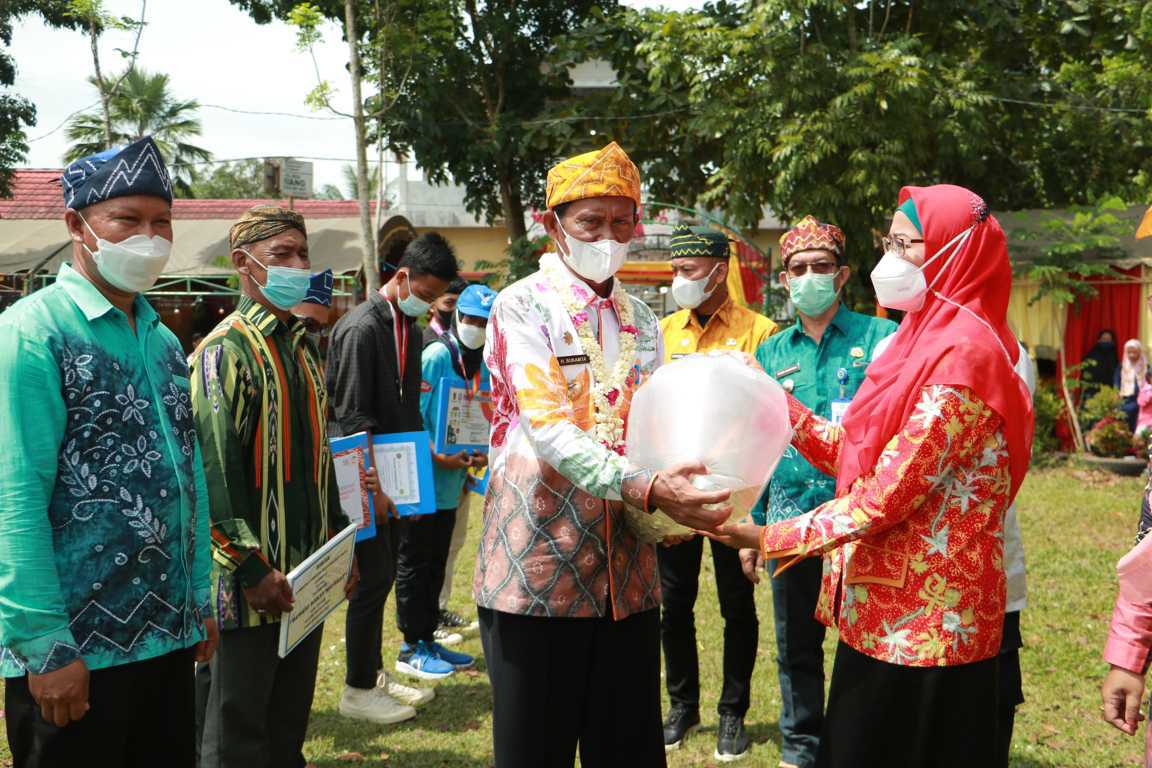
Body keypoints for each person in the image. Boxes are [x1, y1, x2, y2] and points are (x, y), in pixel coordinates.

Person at [706, 185, 1034, 767]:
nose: (891, 259)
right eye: (889, 243)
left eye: (905, 245)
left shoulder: (964, 360)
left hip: (932, 629)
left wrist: (768, 537)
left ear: (954, 252)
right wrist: (772, 399)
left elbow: (884, 497)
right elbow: (860, 451)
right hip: (881, 616)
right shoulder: (916, 342)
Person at [474, 141, 733, 768]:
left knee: (628, 747)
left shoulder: (644, 319)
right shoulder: (521, 306)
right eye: (591, 222)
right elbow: (549, 429)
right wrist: (650, 487)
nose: (608, 236)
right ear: (552, 223)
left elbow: (655, 427)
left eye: (622, 222)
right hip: (538, 563)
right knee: (537, 748)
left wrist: (674, 502)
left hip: (627, 568)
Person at [0, 137, 216, 768]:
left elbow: (188, 476)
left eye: (161, 222)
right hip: (78, 656)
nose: (148, 237)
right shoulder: (34, 334)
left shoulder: (162, 340)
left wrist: (198, 599)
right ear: (77, 224)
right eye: (127, 219)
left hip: (166, 638)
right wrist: (44, 645)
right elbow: (13, 496)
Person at [192, 206, 356, 768]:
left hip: (305, 582)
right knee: (235, 733)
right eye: (282, 254)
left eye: (303, 254)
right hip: (251, 587)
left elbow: (320, 464)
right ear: (244, 263)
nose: (298, 265)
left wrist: (341, 552)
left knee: (287, 728)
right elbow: (214, 475)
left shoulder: (304, 349)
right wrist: (252, 569)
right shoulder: (225, 352)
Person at [746, 215, 896, 768]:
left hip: (860, 518)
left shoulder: (882, 340)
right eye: (798, 268)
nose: (809, 276)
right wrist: (752, 528)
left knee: (866, 638)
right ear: (785, 279)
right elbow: (757, 445)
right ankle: (802, 746)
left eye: (820, 267)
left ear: (843, 275)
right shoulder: (769, 353)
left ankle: (859, 742)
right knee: (795, 645)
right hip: (789, 519)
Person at [327, 233, 461, 720]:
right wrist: (374, 488)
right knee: (372, 579)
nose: (427, 305)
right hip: (368, 481)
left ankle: (372, 677)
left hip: (400, 479)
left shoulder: (407, 328)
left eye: (434, 298)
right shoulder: (363, 328)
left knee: (383, 576)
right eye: (423, 294)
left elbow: (405, 411)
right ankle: (358, 690)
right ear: (401, 277)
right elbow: (353, 416)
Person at [656, 224, 777, 760]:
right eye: (675, 271)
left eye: (687, 271)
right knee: (673, 604)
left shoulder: (761, 332)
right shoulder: (661, 334)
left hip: (736, 492)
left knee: (737, 605)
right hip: (678, 491)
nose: (678, 280)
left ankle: (734, 712)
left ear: (718, 270)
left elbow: (771, 419)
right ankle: (682, 706)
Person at [420, 283, 497, 646]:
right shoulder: (436, 356)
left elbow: (485, 414)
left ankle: (436, 610)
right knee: (423, 554)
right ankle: (421, 626)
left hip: (461, 475)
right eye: (471, 319)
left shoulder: (484, 363)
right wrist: (436, 453)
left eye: (485, 322)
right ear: (458, 317)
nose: (476, 327)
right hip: (430, 476)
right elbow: (416, 416)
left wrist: (483, 453)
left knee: (452, 546)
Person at [423, 277, 468, 348]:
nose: (456, 309)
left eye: (462, 303)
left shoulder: (468, 341)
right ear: (431, 304)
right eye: (449, 302)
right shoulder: (422, 342)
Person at [1117, 339, 1149, 433]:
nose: (1132, 355)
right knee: (1126, 424)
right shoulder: (1121, 367)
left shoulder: (1146, 367)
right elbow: (1117, 382)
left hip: (1144, 401)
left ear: (1139, 352)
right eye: (1129, 352)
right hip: (1126, 400)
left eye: (1134, 352)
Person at [1082, 329, 1119, 406]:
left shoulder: (1115, 355)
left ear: (1112, 340)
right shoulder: (1092, 354)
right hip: (1092, 391)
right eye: (1104, 339)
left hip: (1109, 391)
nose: (1106, 341)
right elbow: (1085, 371)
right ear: (1099, 340)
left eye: (1108, 339)